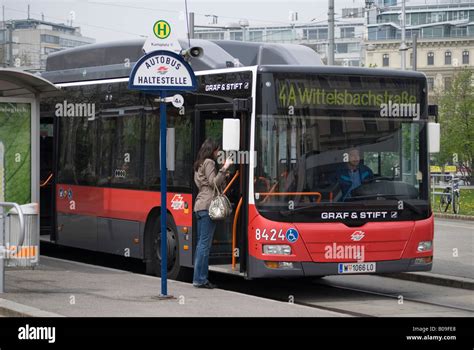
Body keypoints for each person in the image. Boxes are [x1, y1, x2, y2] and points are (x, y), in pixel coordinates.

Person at [193, 138, 232, 289]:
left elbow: (204, 184)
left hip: (199, 205)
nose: (218, 153)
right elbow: (213, 183)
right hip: (208, 206)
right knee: (204, 245)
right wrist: (224, 168)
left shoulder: (199, 163)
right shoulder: (209, 162)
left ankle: (199, 278)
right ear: (212, 150)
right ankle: (200, 279)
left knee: (200, 244)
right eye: (217, 150)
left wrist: (223, 175)